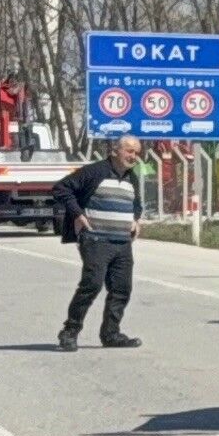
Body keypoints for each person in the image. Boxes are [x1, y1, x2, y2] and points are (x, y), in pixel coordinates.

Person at [50, 135, 146, 352]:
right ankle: (70, 332)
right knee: (92, 284)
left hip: (122, 242)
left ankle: (111, 334)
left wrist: (135, 219)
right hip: (96, 240)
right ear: (115, 151)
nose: (133, 156)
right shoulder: (95, 171)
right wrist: (77, 214)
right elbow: (61, 188)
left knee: (122, 289)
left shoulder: (131, 177)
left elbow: (136, 204)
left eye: (137, 153)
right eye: (129, 151)